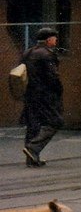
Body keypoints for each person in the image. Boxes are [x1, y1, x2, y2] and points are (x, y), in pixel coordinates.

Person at [20, 27, 64, 167]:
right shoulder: (47, 54)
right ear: (48, 39)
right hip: (45, 94)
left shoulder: (28, 52)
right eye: (54, 38)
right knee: (55, 121)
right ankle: (33, 148)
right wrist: (58, 90)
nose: (56, 40)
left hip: (30, 93)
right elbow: (52, 77)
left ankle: (32, 158)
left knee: (33, 124)